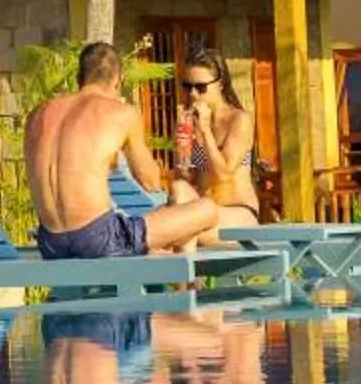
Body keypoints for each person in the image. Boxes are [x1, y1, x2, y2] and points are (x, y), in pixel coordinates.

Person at [25, 41, 221, 260]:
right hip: (98, 239)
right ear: (118, 81)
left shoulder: (37, 115)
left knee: (154, 235)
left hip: (50, 242)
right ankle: (187, 287)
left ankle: (179, 282)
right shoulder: (121, 113)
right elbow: (151, 182)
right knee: (207, 210)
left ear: (79, 78)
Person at [171, 46, 263, 245]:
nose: (194, 94)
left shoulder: (238, 120)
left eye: (201, 87)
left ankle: (186, 276)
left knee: (176, 234)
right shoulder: (189, 121)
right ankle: (185, 274)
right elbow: (185, 177)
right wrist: (182, 148)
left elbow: (223, 173)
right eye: (187, 87)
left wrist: (205, 130)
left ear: (220, 84)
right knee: (178, 190)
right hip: (205, 212)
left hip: (237, 212)